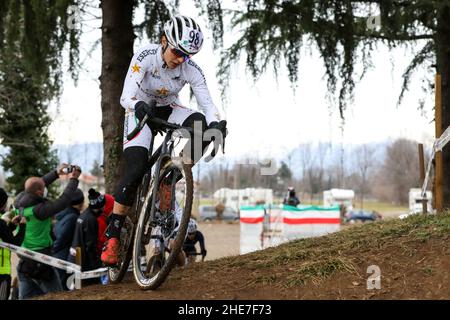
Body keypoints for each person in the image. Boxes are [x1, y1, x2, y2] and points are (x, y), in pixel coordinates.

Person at [101, 15, 227, 265]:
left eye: (187, 55)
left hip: (168, 107)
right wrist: (137, 106)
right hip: (139, 108)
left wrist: (217, 125)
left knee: (202, 125)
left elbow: (207, 102)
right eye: (177, 52)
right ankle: (114, 235)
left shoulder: (190, 69)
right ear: (163, 41)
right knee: (135, 169)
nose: (180, 59)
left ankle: (169, 179)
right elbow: (126, 96)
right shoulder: (145, 55)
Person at [14, 164, 81, 299]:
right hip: (41, 262)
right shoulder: (40, 210)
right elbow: (63, 201)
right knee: (58, 296)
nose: (45, 189)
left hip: (24, 261)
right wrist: (74, 179)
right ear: (39, 192)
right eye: (43, 189)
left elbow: (36, 184)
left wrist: (56, 173)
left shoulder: (19, 202)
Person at [52, 188, 84, 290]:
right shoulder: (73, 218)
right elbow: (62, 238)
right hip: (66, 259)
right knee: (68, 290)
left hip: (59, 258)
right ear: (81, 202)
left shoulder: (62, 215)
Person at [70, 188, 104, 276]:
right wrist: (96, 264)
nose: (103, 209)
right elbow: (91, 244)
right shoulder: (91, 220)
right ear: (98, 206)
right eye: (102, 207)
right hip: (84, 262)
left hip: (74, 257)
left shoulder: (83, 215)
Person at [0, 188, 26, 300]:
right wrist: (23, 227)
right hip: (1, 272)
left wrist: (11, 226)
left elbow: (2, 235)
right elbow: (14, 244)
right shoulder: (0, 223)